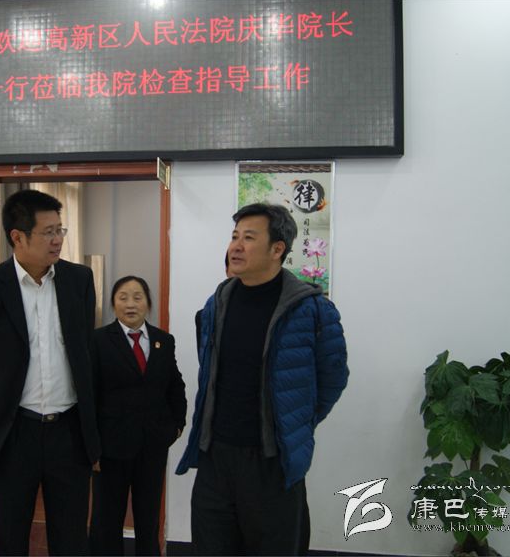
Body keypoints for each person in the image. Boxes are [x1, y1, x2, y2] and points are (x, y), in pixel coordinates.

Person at [176, 203, 349, 555]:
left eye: (249, 238)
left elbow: (333, 378)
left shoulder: (312, 310)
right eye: (234, 236)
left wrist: (295, 421)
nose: (236, 246)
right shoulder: (216, 303)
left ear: (277, 249)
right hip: (215, 457)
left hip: (273, 462)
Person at [0, 189, 99, 556]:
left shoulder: (79, 281)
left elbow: (84, 351)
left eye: (60, 230)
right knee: (10, 538)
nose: (57, 240)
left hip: (69, 432)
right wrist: (3, 400)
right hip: (15, 434)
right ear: (17, 237)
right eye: (48, 232)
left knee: (71, 540)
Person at [89, 276, 187, 556]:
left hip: (152, 446)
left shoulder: (163, 341)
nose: (130, 304)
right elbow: (90, 395)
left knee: (148, 517)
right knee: (107, 519)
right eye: (123, 297)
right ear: (113, 304)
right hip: (110, 448)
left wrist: (176, 425)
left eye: (137, 297)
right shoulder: (97, 340)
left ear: (148, 303)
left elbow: (175, 385)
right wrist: (91, 445)